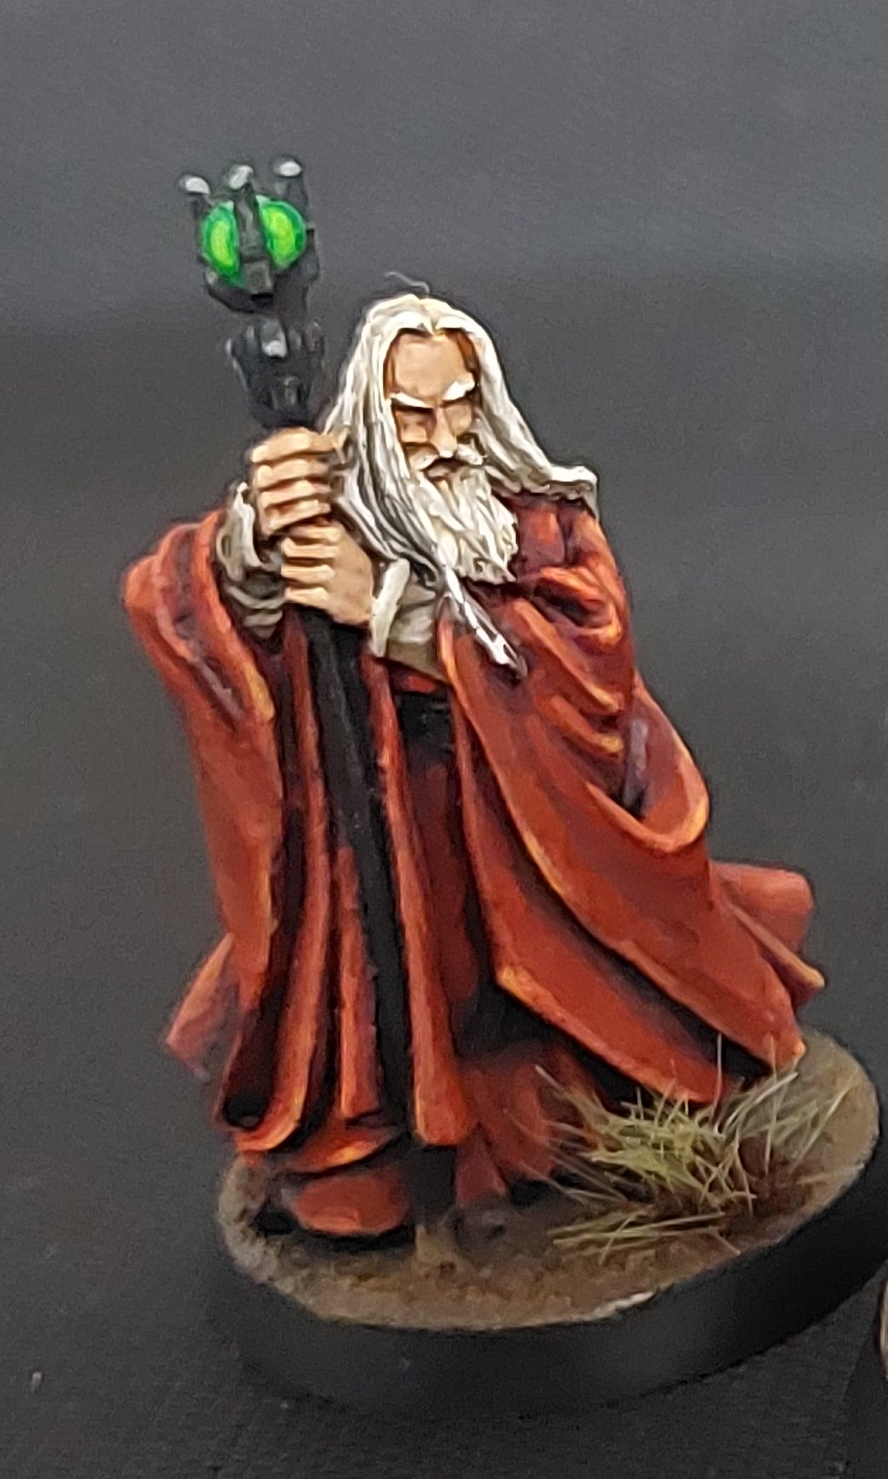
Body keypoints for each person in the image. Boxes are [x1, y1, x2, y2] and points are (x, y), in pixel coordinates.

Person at [125, 292, 819, 1241]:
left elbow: (588, 658)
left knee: (544, 993)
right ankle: (399, 1153)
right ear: (375, 417)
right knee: (406, 987)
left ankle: (554, 1128)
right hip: (390, 813)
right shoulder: (332, 516)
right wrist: (254, 543)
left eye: (460, 408)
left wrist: (398, 613)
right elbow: (178, 599)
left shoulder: (540, 521)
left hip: (527, 812)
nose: (446, 440)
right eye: (415, 418)